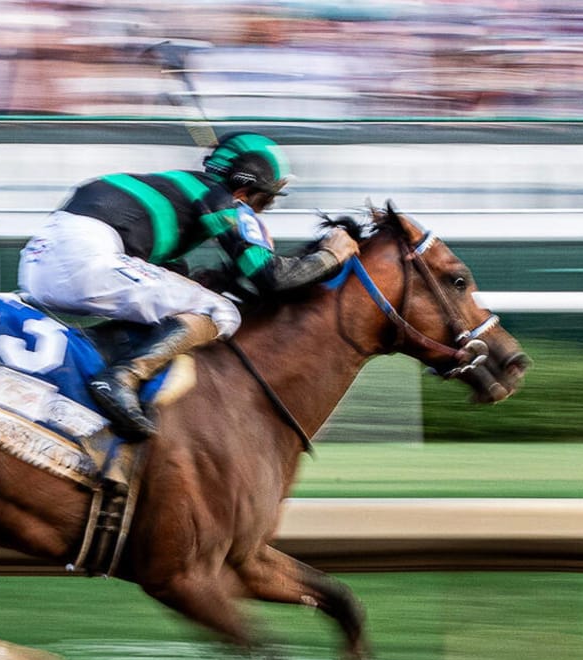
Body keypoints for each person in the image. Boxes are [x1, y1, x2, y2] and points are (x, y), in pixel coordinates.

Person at [18, 132, 359, 441]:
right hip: (83, 259)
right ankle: (122, 377)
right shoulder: (218, 197)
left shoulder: (175, 191)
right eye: (264, 200)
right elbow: (270, 276)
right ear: (243, 190)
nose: (263, 210)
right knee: (219, 311)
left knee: (186, 302)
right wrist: (332, 255)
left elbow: (167, 268)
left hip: (39, 262)